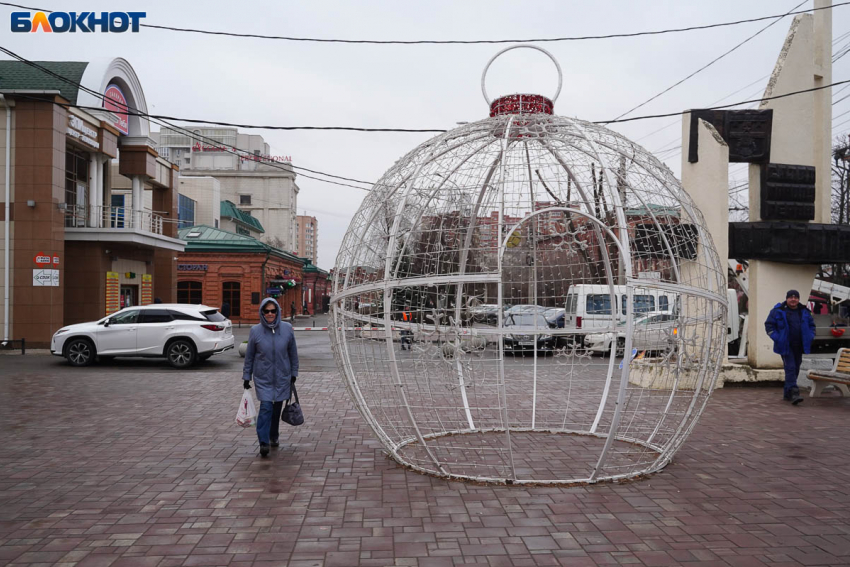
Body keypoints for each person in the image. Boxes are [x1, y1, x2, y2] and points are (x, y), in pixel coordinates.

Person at [242, 297, 299, 456]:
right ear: (262, 312)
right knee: (266, 408)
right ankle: (264, 442)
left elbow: (293, 354)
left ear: (277, 311)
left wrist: (294, 373)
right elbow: (250, 356)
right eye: (266, 311)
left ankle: (274, 436)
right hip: (263, 378)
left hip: (282, 377)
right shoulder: (255, 331)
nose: (270, 314)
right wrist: (247, 376)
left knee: (276, 410)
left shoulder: (287, 329)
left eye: (273, 311)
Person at [765, 289, 815, 405]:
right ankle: (794, 393)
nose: (793, 299)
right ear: (787, 298)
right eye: (791, 297)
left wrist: (811, 335)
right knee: (791, 368)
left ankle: (787, 393)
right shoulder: (778, 311)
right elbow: (769, 326)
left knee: (796, 368)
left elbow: (812, 325)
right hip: (785, 346)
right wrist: (777, 338)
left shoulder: (804, 311)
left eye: (796, 297)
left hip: (800, 346)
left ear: (798, 299)